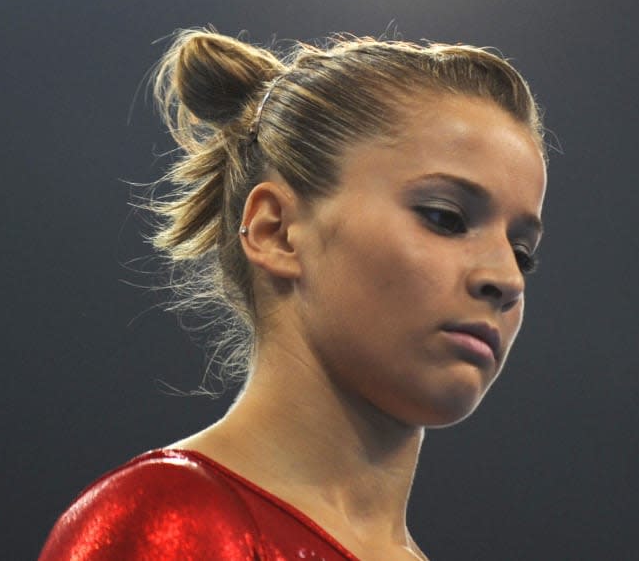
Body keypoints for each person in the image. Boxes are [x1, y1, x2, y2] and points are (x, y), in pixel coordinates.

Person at [39, 29, 548, 560]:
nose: (508, 280)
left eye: (522, 252)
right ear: (276, 231)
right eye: (446, 218)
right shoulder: (174, 520)